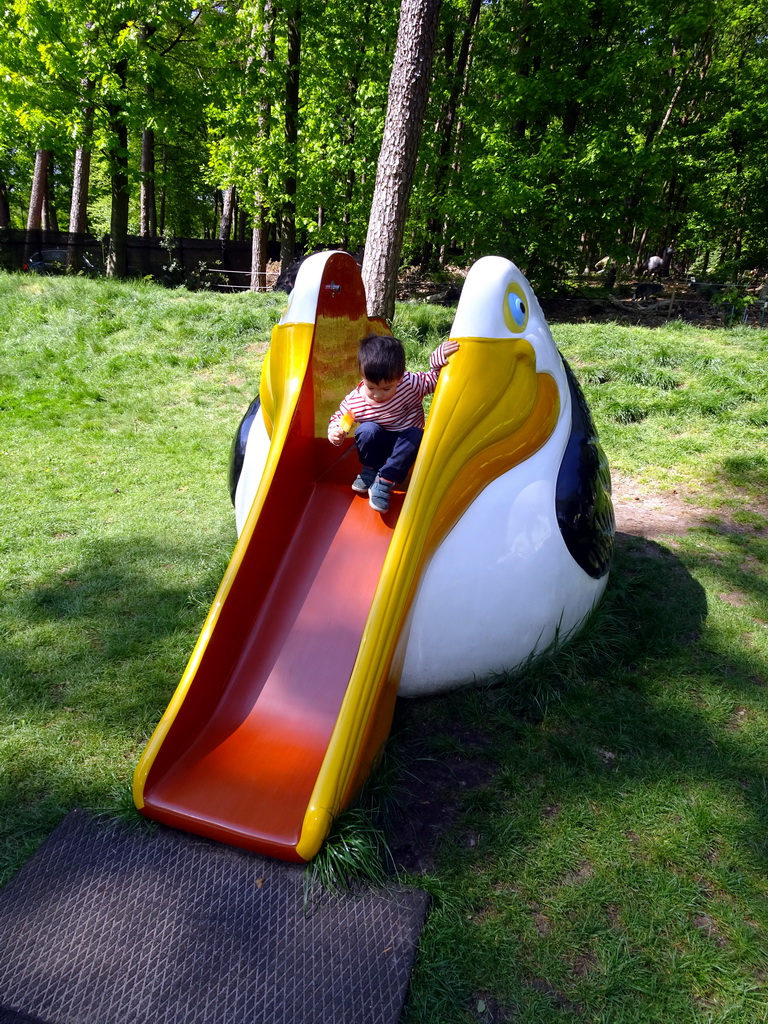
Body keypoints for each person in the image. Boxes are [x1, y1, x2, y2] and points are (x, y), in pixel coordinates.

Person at [328, 333, 459, 512]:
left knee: (416, 435)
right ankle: (370, 469)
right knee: (366, 430)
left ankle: (385, 480)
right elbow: (338, 418)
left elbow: (435, 380)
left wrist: (437, 359)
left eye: (386, 388)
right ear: (362, 377)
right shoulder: (355, 402)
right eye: (371, 387)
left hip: (404, 445)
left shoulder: (410, 384)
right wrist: (335, 432)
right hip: (378, 445)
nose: (377, 394)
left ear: (400, 377)